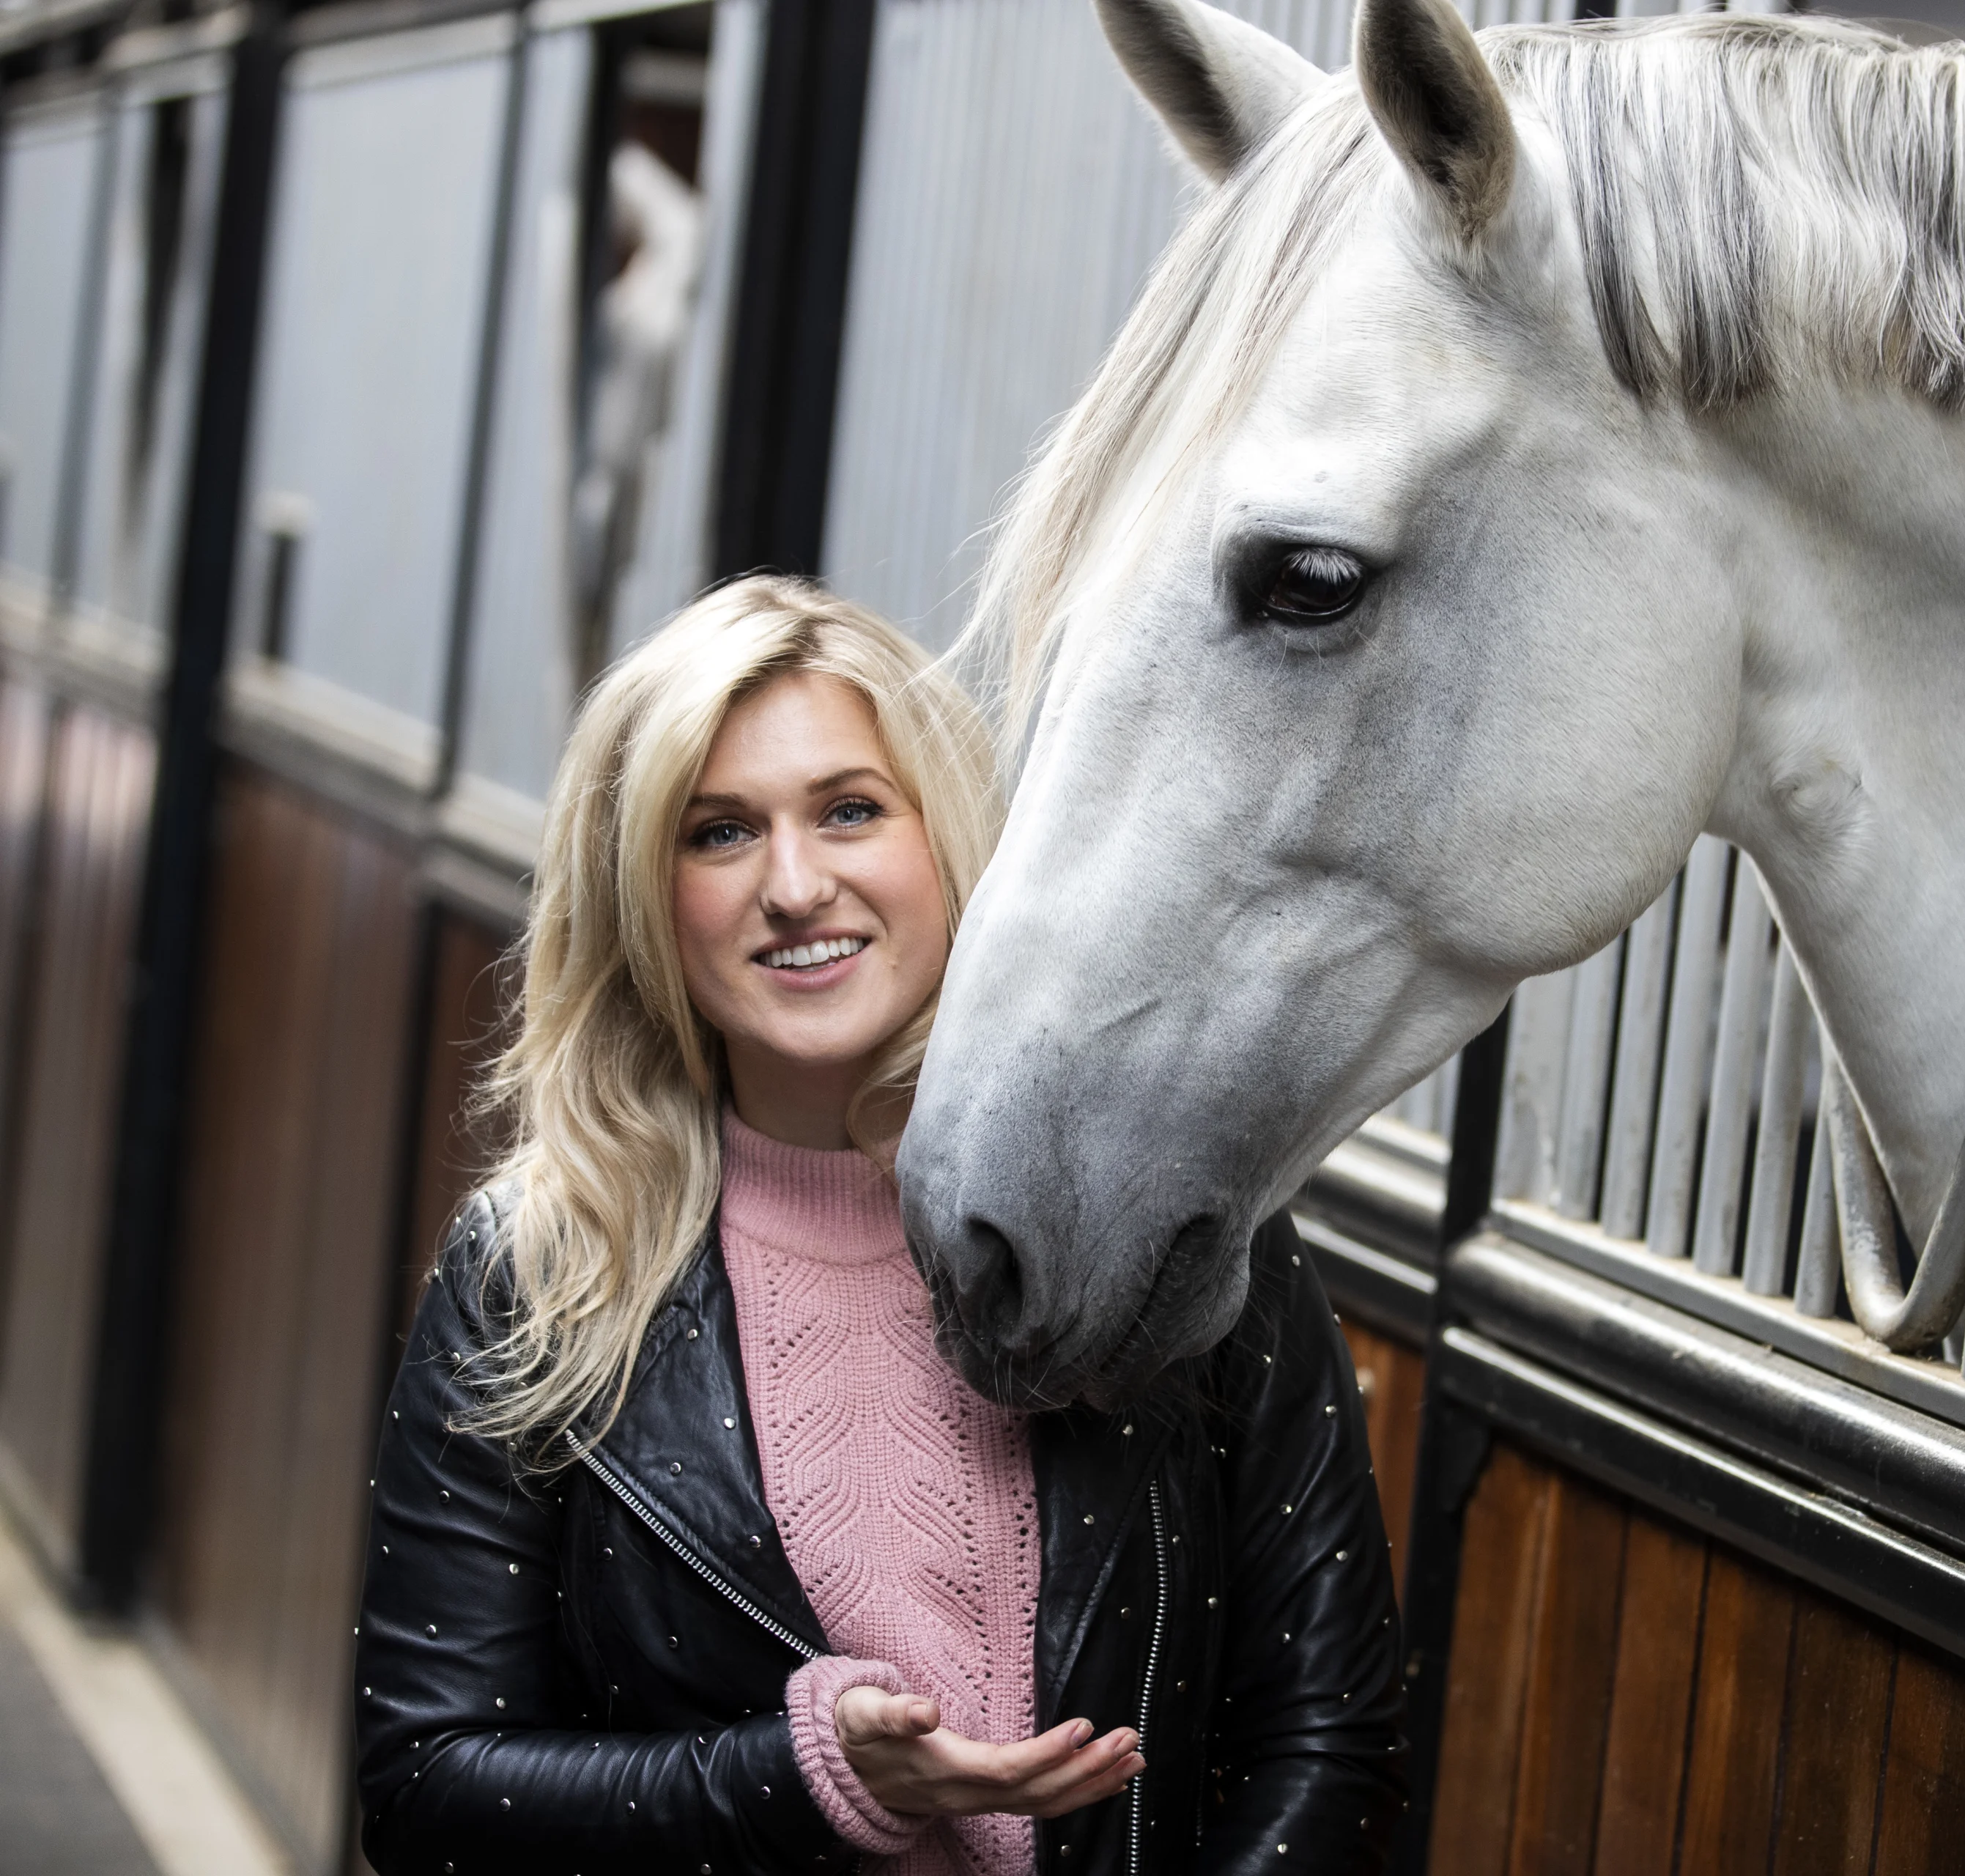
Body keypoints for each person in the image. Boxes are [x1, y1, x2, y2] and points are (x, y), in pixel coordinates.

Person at [354, 577, 1406, 1875]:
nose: (796, 885)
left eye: (850, 810)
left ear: (947, 840)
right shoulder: (538, 1266)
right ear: (643, 892)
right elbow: (427, 1788)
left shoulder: (1169, 1218)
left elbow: (1333, 1743)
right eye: (719, 832)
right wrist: (802, 1775)